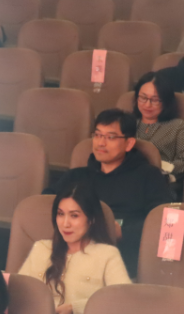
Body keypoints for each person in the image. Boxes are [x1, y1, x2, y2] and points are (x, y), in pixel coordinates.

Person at [54, 109, 174, 278]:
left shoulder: (149, 176)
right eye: (97, 135)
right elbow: (46, 204)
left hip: (125, 259)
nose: (101, 143)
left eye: (110, 137)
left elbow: (164, 219)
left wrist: (123, 232)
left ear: (129, 143)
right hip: (73, 258)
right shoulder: (76, 176)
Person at [18, 183, 130, 314]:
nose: (65, 224)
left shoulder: (107, 255)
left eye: (74, 216)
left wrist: (74, 309)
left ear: (91, 219)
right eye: (60, 214)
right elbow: (19, 292)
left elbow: (122, 300)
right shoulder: (41, 248)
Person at [131, 71, 184, 186]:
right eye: (143, 98)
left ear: (166, 101)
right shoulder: (128, 122)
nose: (147, 105)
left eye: (155, 100)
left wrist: (161, 165)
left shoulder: (178, 126)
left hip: (159, 182)